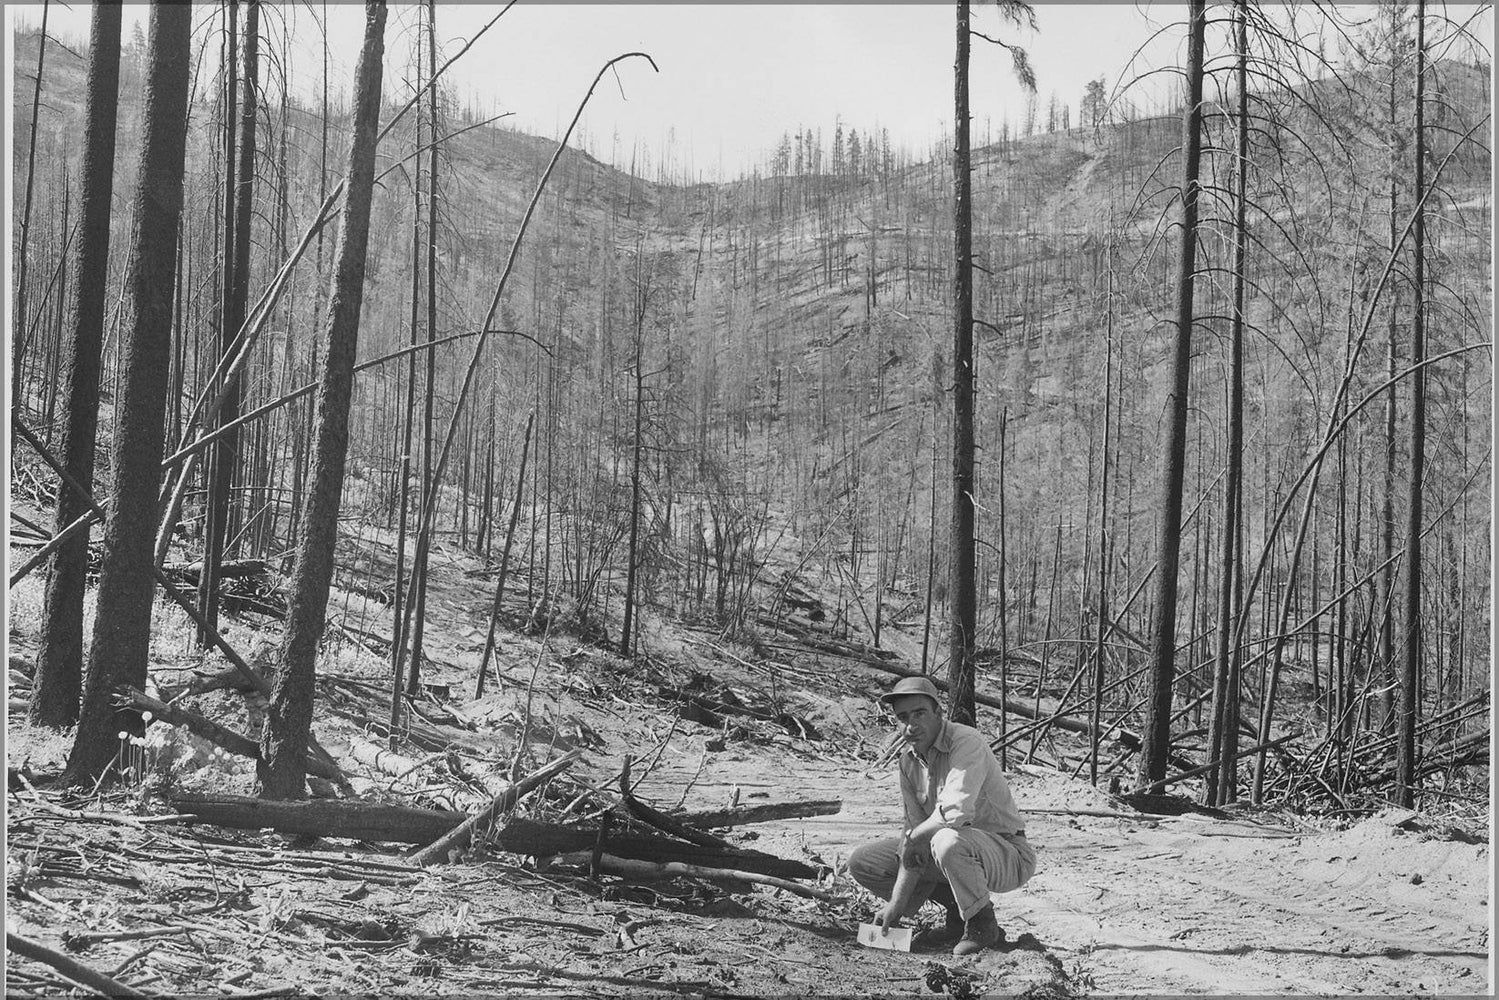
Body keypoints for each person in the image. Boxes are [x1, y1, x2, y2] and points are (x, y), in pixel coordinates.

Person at [847, 676, 1035, 956]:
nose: (911, 725)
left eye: (920, 713)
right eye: (903, 717)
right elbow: (912, 837)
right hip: (953, 853)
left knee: (946, 840)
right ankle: (958, 913)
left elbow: (955, 814)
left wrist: (915, 839)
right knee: (863, 861)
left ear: (938, 712)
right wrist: (895, 908)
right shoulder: (908, 763)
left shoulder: (966, 741)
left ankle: (982, 923)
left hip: (1007, 855)